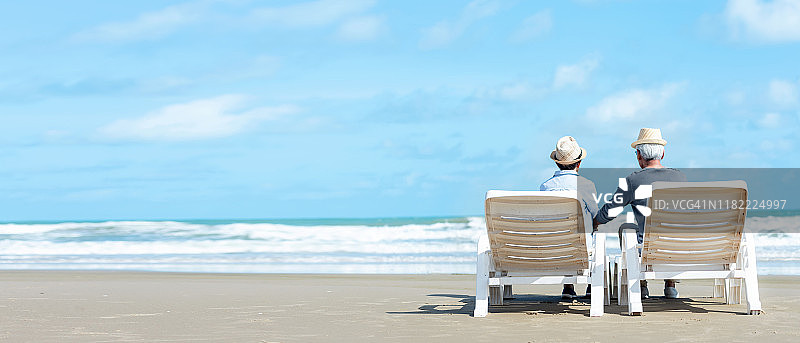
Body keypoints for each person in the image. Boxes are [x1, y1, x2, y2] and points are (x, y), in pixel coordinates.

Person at [593, 128, 686, 299]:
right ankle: (670, 285)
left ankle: (642, 285)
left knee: (626, 228)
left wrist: (594, 221)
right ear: (662, 154)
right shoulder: (680, 178)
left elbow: (610, 211)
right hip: (678, 248)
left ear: (638, 155)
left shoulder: (633, 180)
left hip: (648, 250)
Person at [540, 136, 598, 299]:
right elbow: (596, 215)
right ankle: (591, 285)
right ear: (579, 164)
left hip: (556, 246)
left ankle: (568, 286)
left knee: (563, 233)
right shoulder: (586, 185)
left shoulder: (545, 187)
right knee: (594, 231)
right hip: (581, 246)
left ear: (557, 162)